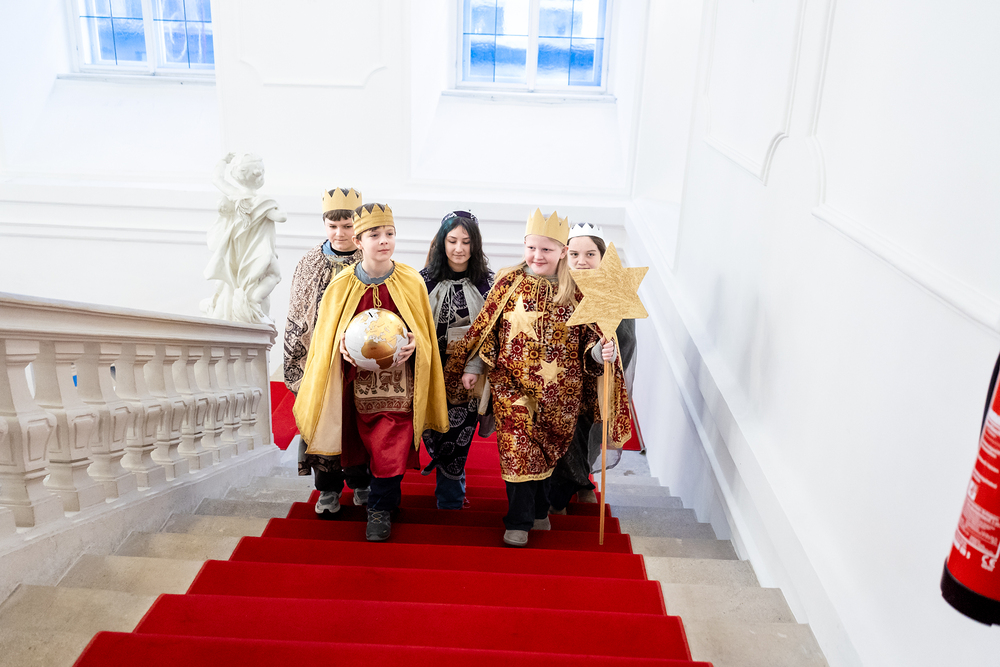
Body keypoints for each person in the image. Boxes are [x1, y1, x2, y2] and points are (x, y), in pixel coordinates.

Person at [445, 209, 632, 547]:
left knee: (547, 453)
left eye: (546, 249)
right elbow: (488, 329)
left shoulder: (577, 292)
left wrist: (598, 353)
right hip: (511, 387)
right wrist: (474, 367)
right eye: (531, 248)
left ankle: (540, 510)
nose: (537, 255)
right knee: (517, 450)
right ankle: (518, 521)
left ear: (562, 251)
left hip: (561, 394)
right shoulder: (509, 282)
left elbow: (591, 341)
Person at [293, 203, 449, 541]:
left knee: (391, 446)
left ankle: (380, 508)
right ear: (358, 241)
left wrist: (414, 344)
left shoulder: (410, 281)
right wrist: (340, 348)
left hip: (398, 385)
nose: (384, 240)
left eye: (389, 233)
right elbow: (326, 338)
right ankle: (352, 491)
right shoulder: (341, 286)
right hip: (351, 384)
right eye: (374, 234)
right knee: (354, 442)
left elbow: (423, 332)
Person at [283, 188, 367, 517]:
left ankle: (361, 482)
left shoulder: (369, 260)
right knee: (322, 422)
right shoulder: (309, 263)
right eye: (333, 226)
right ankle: (328, 488)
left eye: (347, 226)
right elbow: (297, 314)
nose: (340, 234)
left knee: (357, 423)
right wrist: (298, 361)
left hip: (359, 360)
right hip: (319, 359)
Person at [548, 223, 638, 513]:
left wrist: (608, 353)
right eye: (574, 254)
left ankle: (578, 483)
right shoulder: (554, 288)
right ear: (565, 255)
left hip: (596, 382)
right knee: (563, 437)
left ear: (602, 257)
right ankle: (562, 492)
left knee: (587, 436)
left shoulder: (613, 294)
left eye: (590, 254)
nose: (581, 261)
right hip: (559, 382)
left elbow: (626, 339)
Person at [419, 211, 494, 509]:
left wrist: (475, 365)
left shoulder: (488, 284)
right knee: (433, 432)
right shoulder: (422, 281)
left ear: (475, 244)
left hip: (469, 376)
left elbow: (493, 331)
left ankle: (450, 498)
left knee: (458, 436)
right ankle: (451, 483)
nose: (459, 248)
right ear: (442, 242)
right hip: (430, 372)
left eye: (466, 241)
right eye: (452, 241)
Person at [201, 152, 287, 324]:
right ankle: (254, 301)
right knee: (274, 275)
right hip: (258, 253)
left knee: (238, 284)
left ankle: (251, 304)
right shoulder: (263, 202)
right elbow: (281, 217)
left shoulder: (233, 194)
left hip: (238, 254)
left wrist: (223, 161)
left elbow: (216, 179)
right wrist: (275, 206)